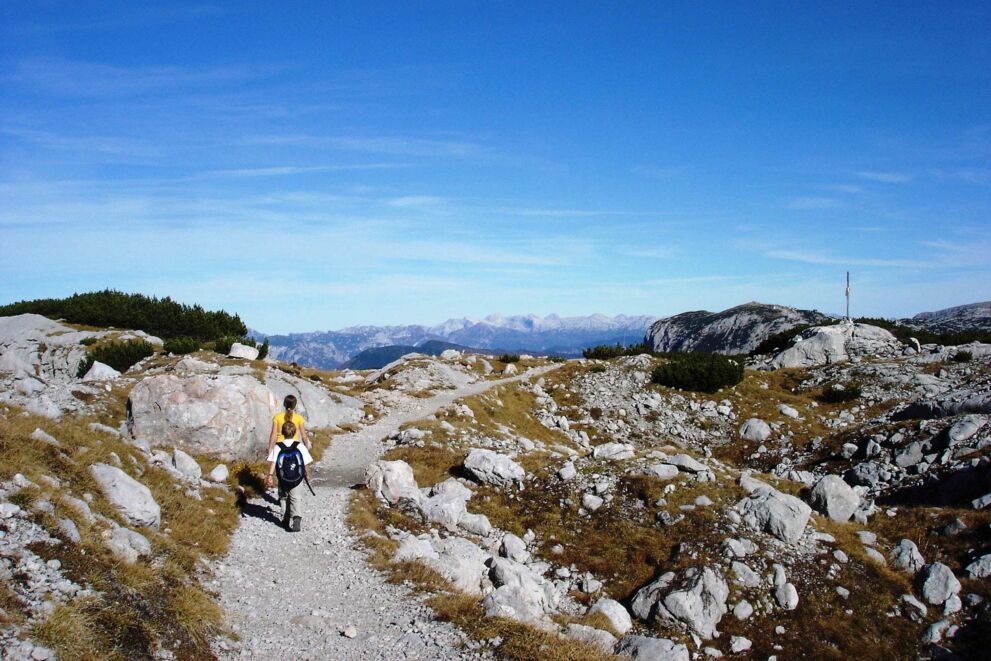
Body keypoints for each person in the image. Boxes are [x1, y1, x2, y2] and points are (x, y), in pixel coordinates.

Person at [265, 420, 313, 531]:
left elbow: (273, 462)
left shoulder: (278, 447)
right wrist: (307, 473)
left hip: (283, 478)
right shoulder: (299, 446)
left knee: (283, 497)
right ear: (295, 433)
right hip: (297, 477)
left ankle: (285, 519)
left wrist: (270, 475)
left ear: (282, 433)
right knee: (296, 497)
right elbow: (305, 462)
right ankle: (296, 517)